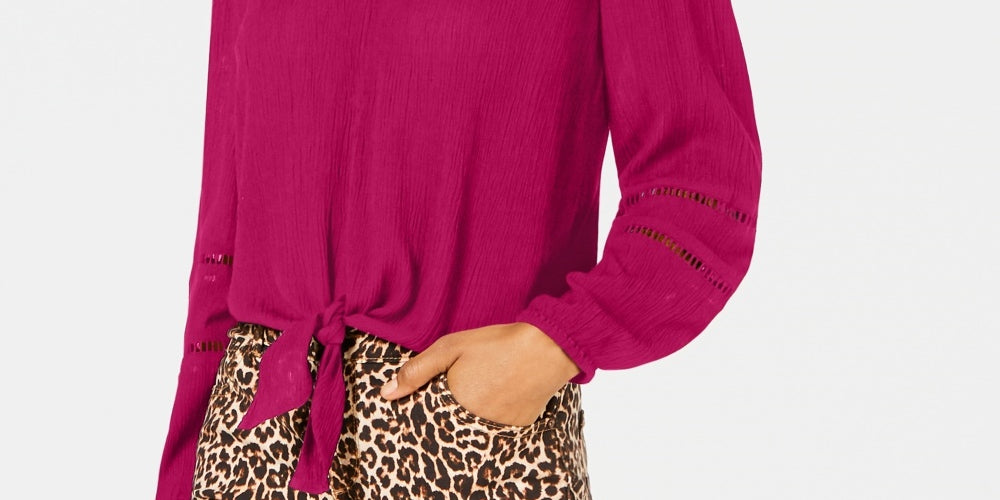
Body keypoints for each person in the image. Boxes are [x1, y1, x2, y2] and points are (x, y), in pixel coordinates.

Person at [156, 0, 762, 498]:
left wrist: (554, 345)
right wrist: (184, 474)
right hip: (254, 441)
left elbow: (703, 180)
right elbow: (223, 239)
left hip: (467, 444)